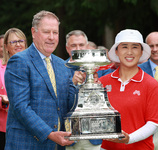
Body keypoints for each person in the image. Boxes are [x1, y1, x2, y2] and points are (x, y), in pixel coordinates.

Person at [4, 10, 84, 150]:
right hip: (26, 144)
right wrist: (50, 134)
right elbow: (21, 107)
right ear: (34, 32)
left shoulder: (63, 65)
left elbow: (68, 105)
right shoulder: (19, 61)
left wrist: (84, 86)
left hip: (56, 146)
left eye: (55, 32)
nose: (52, 37)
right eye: (47, 32)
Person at [99, 29, 158, 150]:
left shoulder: (151, 84)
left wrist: (129, 138)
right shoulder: (103, 82)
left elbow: (153, 124)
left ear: (141, 52)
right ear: (117, 51)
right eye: (124, 47)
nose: (129, 52)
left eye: (135, 47)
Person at [65, 30, 102, 150]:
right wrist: (72, 83)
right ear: (67, 48)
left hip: (94, 135)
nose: (78, 49)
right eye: (73, 45)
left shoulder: (99, 68)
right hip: (68, 135)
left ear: (87, 47)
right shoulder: (59, 67)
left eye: (81, 45)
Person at [0, 28, 27, 150]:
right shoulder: (2, 67)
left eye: (21, 40)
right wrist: (2, 101)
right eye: (13, 42)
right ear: (6, 47)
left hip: (31, 125)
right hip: (6, 125)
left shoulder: (36, 66)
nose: (18, 44)